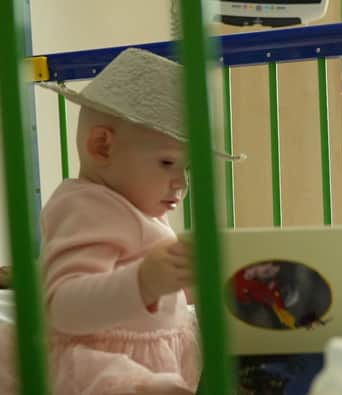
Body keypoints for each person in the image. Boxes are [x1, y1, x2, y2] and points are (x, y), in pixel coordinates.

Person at [4, 48, 199, 395]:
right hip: (95, 358)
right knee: (114, 379)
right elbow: (62, 307)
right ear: (102, 147)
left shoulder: (143, 210)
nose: (181, 183)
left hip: (159, 349)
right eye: (168, 163)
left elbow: (161, 297)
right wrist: (144, 281)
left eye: (187, 169)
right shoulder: (86, 207)